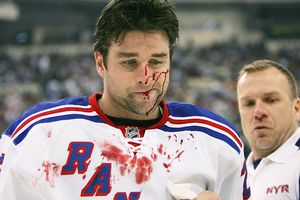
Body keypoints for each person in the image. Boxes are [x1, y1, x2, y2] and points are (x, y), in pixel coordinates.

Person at [0, 0, 250, 199]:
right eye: (130, 62)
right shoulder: (37, 134)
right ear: (100, 62)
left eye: (156, 61)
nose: (146, 77)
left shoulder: (216, 140)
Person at [237, 59, 300, 200]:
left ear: (296, 108)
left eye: (271, 100)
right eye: (248, 103)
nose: (258, 112)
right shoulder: (235, 174)